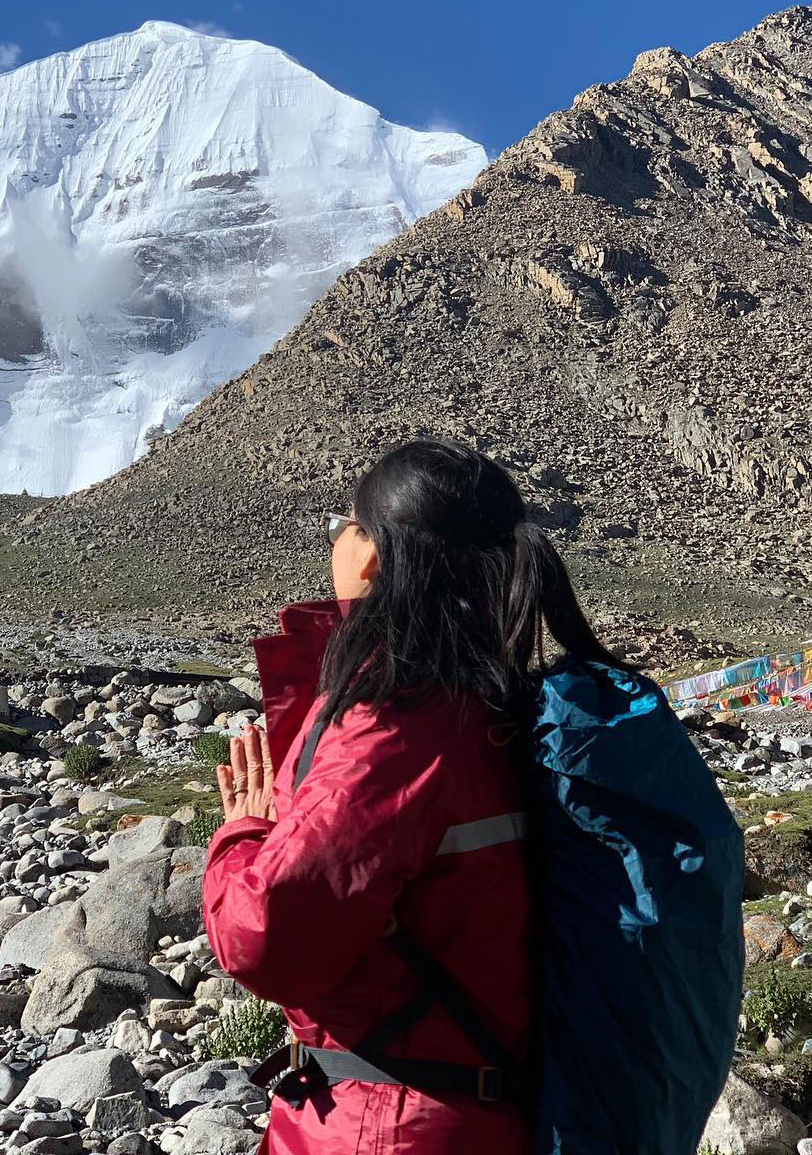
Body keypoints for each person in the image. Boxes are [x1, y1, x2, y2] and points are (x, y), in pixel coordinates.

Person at [201, 437, 633, 1155]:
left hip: (387, 1121)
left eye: (345, 523)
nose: (336, 540)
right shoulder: (494, 699)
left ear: (373, 556)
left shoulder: (393, 724)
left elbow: (270, 941)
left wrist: (243, 834)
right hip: (487, 1104)